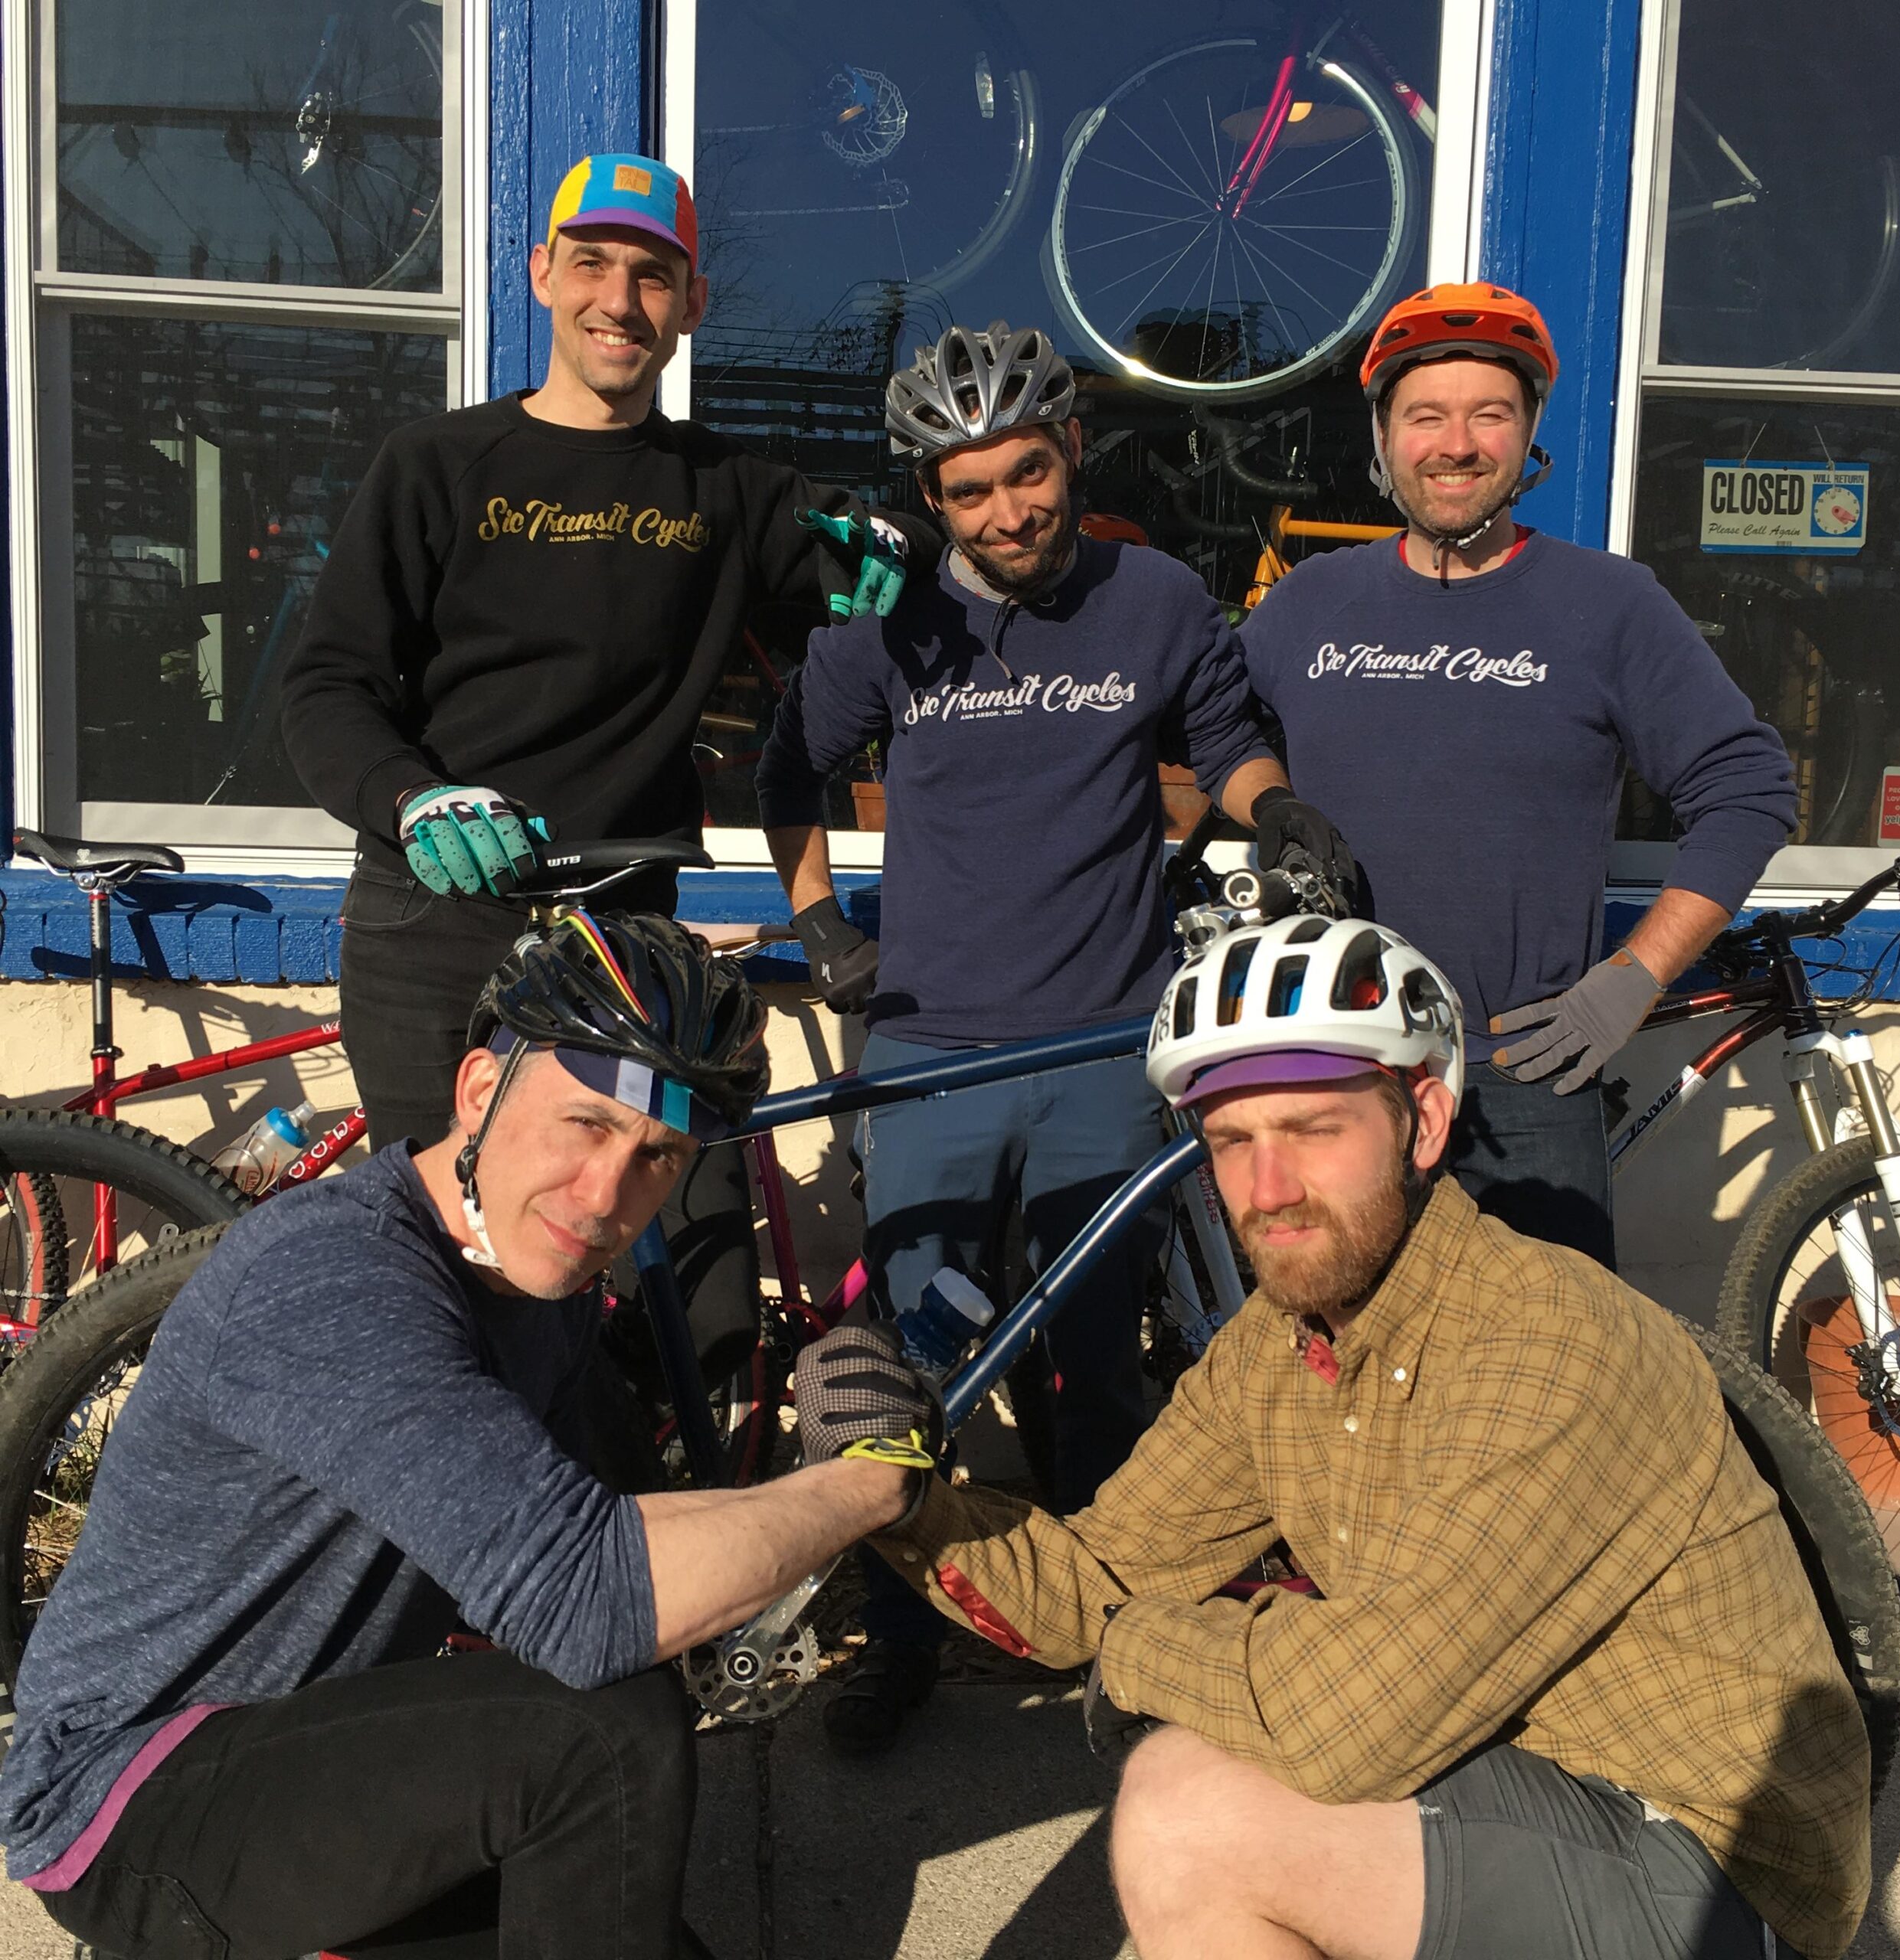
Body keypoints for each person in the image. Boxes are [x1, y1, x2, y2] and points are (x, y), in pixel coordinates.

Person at [796, 910, 1871, 1960]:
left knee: (1193, 1812)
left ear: (1427, 1122)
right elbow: (1093, 1576)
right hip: (1508, 1772)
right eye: (1231, 1142)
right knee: (1219, 1761)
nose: (1268, 1193)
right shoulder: (1277, 1347)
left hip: (1712, 1861)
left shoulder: (1549, 1339)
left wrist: (1136, 1648)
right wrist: (899, 1495)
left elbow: (1352, 1720)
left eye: (1314, 1130)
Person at [0, 913, 932, 1960]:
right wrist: (868, 1478)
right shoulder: (337, 1280)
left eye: (656, 1157)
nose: (604, 1199)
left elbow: (614, 1510)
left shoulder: (539, 1276)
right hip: (132, 1802)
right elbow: (590, 1603)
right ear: (481, 1092)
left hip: (317, 1748)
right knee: (603, 1733)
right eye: (584, 1124)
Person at [754, 318, 1349, 1756]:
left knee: (1098, 1371)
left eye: (1029, 473)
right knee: (913, 1365)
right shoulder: (887, 620)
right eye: (970, 489)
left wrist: (1271, 813)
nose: (1010, 511)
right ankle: (894, 1634)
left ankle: (1116, 1639)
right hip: (933, 1048)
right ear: (929, 495)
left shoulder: (1151, 595)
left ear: (1070, 451)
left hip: (1103, 1047)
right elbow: (787, 769)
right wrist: (824, 921)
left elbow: (1220, 732)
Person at [280, 152, 938, 1384]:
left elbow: (872, 582)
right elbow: (324, 692)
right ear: (542, 274)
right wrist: (412, 797)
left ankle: (646, 1542)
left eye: (653, 276)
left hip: (623, 941)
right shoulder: (436, 466)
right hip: (435, 932)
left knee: (700, 1297)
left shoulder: (728, 491)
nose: (618, 301)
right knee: (463, 1282)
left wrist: (892, 553)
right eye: (592, 264)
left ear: (691, 305)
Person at [1238, 283, 1797, 1267]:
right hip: (1327, 1067)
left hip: (1522, 1072)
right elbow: (1203, 729)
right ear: (1382, 436)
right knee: (1331, 1385)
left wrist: (1633, 976)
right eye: (1425, 416)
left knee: (1544, 1392)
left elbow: (1747, 785)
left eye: (1488, 414)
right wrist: (1266, 800)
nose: (1456, 443)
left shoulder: (1609, 605)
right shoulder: (1308, 605)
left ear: (1528, 430)